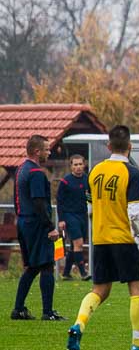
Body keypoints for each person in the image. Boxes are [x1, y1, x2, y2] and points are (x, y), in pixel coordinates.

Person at [67, 125, 139, 350]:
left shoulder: (94, 171)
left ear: (109, 146)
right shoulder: (132, 173)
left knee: (99, 290)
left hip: (101, 238)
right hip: (124, 239)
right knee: (137, 288)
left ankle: (78, 324)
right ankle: (138, 343)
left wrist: (100, 227)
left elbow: (90, 209)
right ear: (130, 146)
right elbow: (135, 213)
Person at [11, 135, 64, 321]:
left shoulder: (20, 170)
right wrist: (50, 227)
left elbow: (17, 200)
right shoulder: (36, 173)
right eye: (47, 149)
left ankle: (18, 309)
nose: (49, 152)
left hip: (23, 222)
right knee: (47, 264)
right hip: (36, 224)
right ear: (37, 151)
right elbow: (39, 203)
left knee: (33, 266)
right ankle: (48, 312)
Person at [57, 154, 91, 280]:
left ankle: (66, 273)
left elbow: (90, 197)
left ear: (84, 165)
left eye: (80, 164)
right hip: (70, 215)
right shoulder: (65, 181)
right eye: (75, 164)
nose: (78, 167)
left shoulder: (88, 180)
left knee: (74, 245)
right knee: (79, 243)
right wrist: (61, 219)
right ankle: (83, 273)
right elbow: (60, 201)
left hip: (83, 215)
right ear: (71, 166)